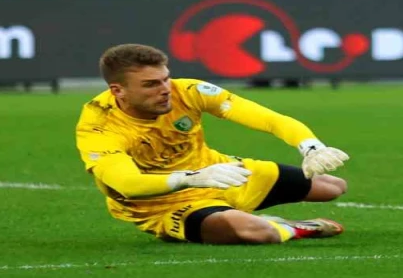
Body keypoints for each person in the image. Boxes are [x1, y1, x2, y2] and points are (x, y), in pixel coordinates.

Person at [74, 44, 350, 244]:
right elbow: (128, 184)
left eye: (166, 79)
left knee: (333, 187)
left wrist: (311, 146)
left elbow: (268, 119)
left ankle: (238, 212)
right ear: (117, 91)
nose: (165, 90)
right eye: (150, 84)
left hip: (216, 172)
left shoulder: (188, 91)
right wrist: (193, 178)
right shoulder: (99, 127)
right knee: (260, 233)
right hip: (162, 204)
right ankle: (294, 227)